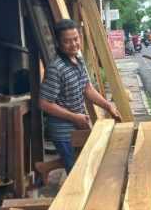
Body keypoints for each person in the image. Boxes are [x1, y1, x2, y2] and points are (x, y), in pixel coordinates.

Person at [39, 19, 122, 173]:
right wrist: (74, 117)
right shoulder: (56, 69)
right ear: (58, 43)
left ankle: (44, 168)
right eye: (67, 41)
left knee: (82, 157)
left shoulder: (78, 59)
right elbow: (44, 103)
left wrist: (108, 105)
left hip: (78, 120)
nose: (74, 44)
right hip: (63, 128)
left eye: (76, 39)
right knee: (77, 172)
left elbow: (87, 88)